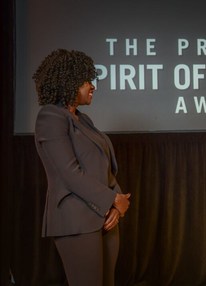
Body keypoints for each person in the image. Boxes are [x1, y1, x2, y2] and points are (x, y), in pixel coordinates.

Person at [33, 49, 131, 286]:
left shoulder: (83, 119)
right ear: (69, 81)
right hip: (76, 218)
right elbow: (70, 174)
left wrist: (116, 204)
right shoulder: (50, 117)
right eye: (87, 80)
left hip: (105, 218)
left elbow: (105, 167)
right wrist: (113, 200)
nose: (93, 86)